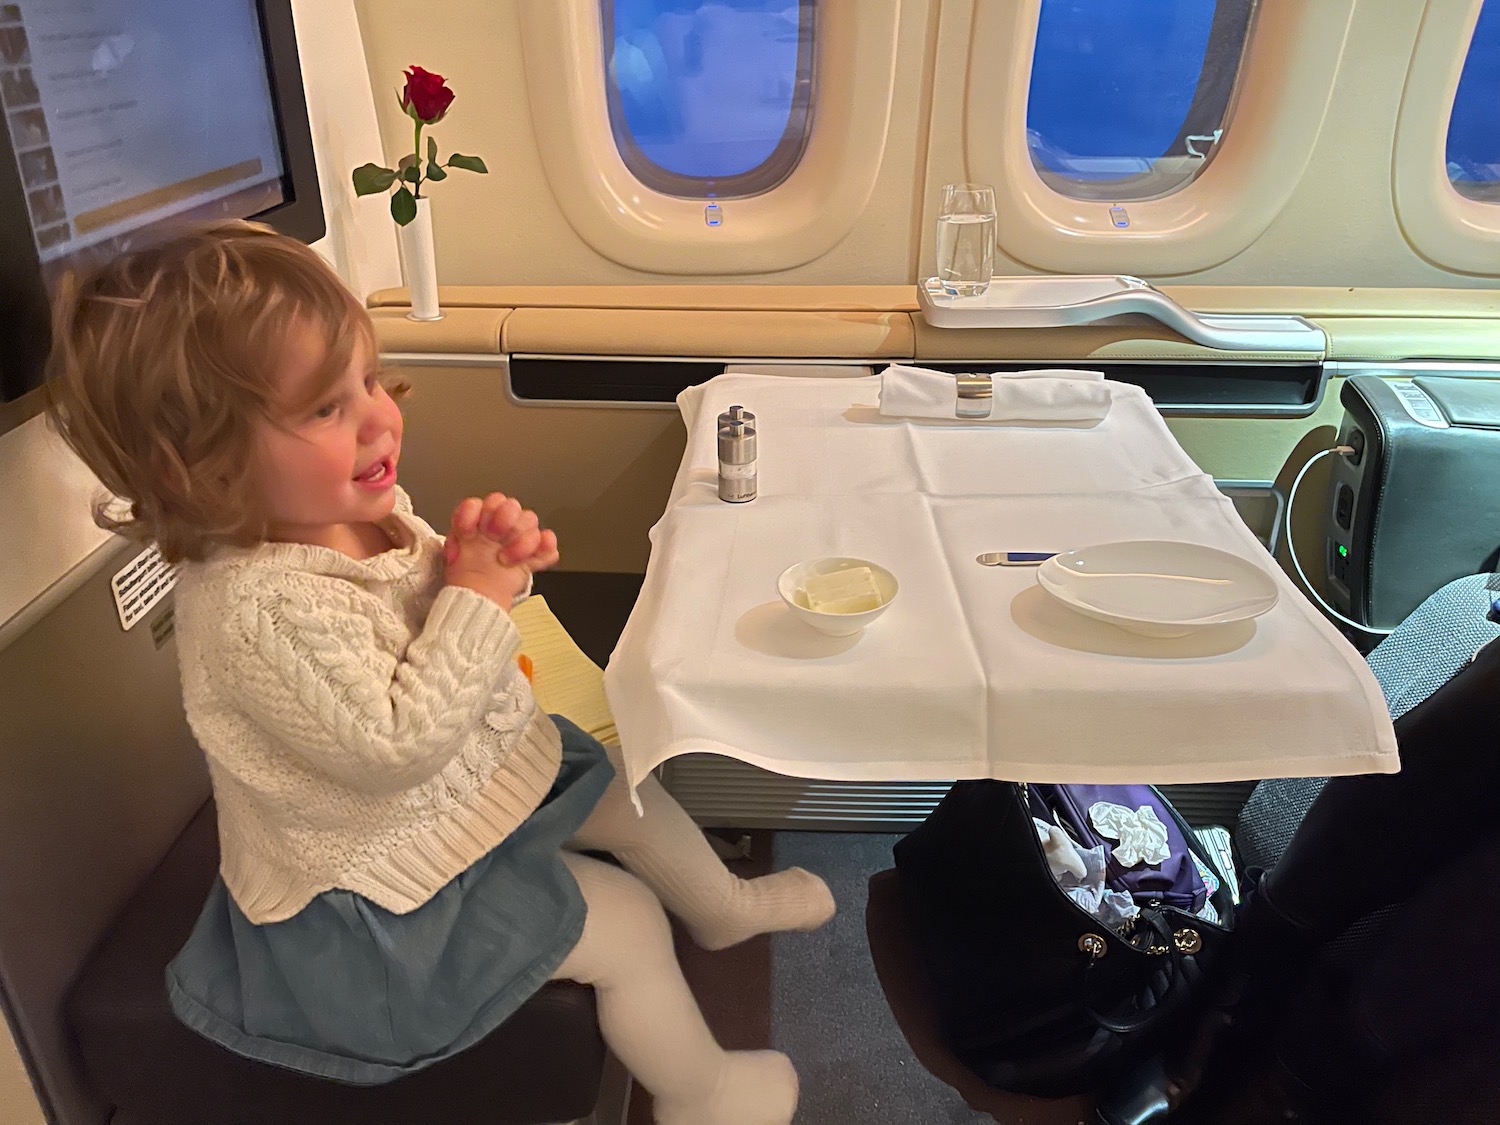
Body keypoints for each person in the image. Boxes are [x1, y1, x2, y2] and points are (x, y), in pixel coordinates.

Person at [45, 220, 835, 1125]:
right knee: (621, 923)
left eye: (370, 381)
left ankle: (723, 904)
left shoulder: (339, 511)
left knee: (618, 786)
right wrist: (477, 596)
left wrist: (477, 558)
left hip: (447, 793)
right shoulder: (255, 607)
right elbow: (392, 745)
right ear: (202, 467)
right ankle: (706, 1093)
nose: (382, 416)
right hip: (372, 887)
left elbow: (425, 615)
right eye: (325, 409)